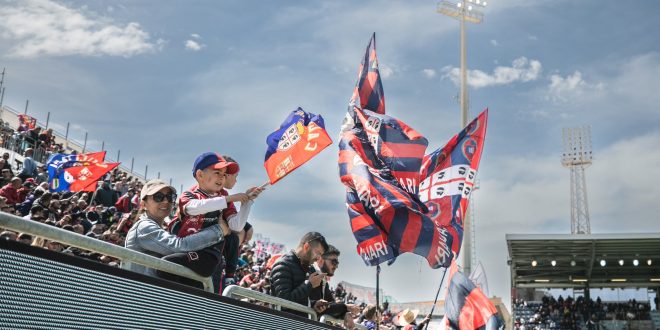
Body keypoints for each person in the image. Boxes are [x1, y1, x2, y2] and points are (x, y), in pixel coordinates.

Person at [169, 152, 263, 292]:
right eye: (218, 172)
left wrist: (247, 202)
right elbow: (193, 208)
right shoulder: (190, 195)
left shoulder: (223, 197)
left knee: (168, 264)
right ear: (200, 175)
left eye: (224, 174)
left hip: (209, 257)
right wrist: (229, 199)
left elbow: (236, 225)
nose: (222, 177)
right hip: (188, 251)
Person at [123, 179, 231, 278]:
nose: (166, 201)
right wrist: (219, 231)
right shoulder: (143, 227)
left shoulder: (163, 229)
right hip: (139, 294)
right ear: (143, 204)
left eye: (170, 197)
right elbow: (178, 246)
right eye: (158, 197)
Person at [270, 231, 329, 318]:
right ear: (306, 246)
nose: (318, 258)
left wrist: (313, 304)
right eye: (318, 253)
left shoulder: (304, 267)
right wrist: (309, 285)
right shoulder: (283, 264)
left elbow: (296, 299)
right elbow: (284, 303)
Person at [310, 245, 360, 328]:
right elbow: (319, 306)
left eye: (337, 263)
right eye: (334, 262)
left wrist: (345, 313)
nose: (336, 266)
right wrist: (345, 307)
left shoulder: (323, 280)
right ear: (320, 259)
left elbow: (330, 304)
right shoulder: (312, 273)